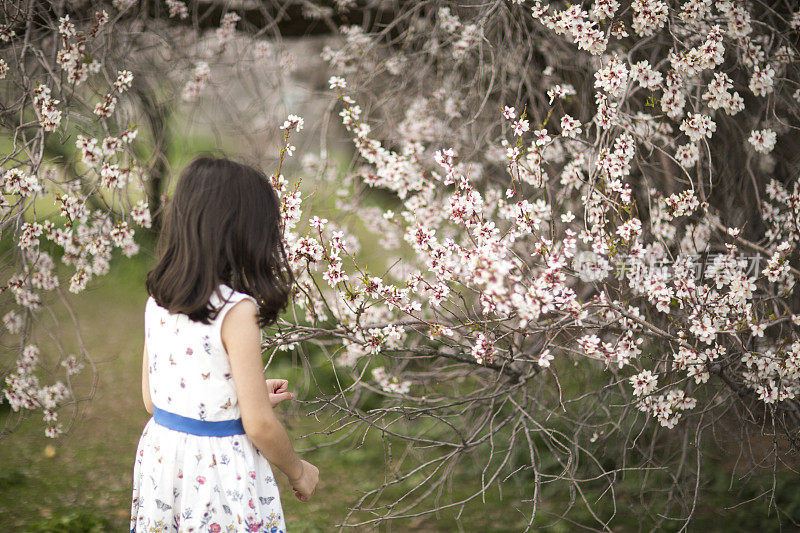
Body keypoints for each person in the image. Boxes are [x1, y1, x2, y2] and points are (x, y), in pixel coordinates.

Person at [130, 156, 319, 532]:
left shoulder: (159, 301)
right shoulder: (236, 311)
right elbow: (260, 425)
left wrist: (236, 395)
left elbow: (155, 400)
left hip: (163, 467)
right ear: (243, 232)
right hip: (217, 477)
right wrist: (298, 471)